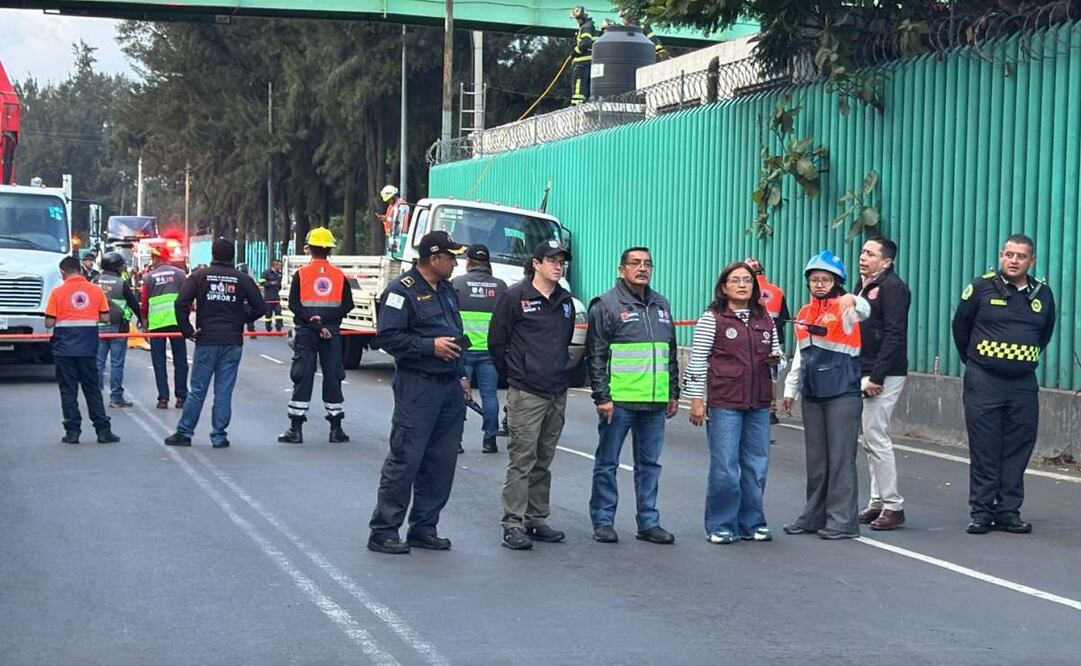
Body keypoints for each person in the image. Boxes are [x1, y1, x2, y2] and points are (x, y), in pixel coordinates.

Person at [367, 231, 470, 555]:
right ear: (434, 258)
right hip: (418, 386)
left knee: (441, 462)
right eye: (451, 257)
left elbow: (455, 334)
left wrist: (461, 375)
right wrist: (430, 347)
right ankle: (384, 530)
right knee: (405, 459)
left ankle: (424, 527)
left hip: (449, 387)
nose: (456, 262)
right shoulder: (401, 291)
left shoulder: (448, 291)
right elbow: (387, 338)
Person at [952, 233, 1055, 535]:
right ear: (1001, 256)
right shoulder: (981, 287)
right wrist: (975, 361)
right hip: (984, 381)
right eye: (1009, 254)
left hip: (1022, 383)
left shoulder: (1042, 294)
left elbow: (1045, 333)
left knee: (1018, 446)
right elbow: (961, 327)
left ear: (1031, 261)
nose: (1014, 260)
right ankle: (981, 512)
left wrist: (1020, 359)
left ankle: (1009, 511)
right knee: (985, 447)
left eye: (1021, 256)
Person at [685, 261, 783, 544]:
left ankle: (753, 522)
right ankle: (721, 524)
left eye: (747, 281)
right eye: (736, 280)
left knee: (756, 466)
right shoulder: (712, 318)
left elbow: (776, 356)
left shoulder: (764, 318)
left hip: (759, 403)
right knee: (725, 467)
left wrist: (777, 361)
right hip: (724, 401)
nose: (742, 285)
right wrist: (696, 400)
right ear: (724, 287)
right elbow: (698, 360)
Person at [586, 247, 679, 545]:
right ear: (621, 268)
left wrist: (673, 391)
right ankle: (603, 520)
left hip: (654, 402)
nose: (642, 268)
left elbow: (671, 353)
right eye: (635, 263)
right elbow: (595, 355)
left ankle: (648, 522)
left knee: (650, 465)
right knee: (607, 462)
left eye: (647, 263)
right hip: (619, 402)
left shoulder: (661, 304)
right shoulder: (607, 305)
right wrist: (602, 396)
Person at [489, 240, 576, 550]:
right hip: (527, 391)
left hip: (556, 389)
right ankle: (512, 522)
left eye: (561, 260)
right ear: (536, 263)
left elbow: (565, 340)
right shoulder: (515, 296)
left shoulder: (565, 301)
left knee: (544, 457)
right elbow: (497, 342)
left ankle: (536, 518)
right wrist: (516, 373)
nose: (558, 265)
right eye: (551, 260)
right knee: (522, 459)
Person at [781, 250, 870, 540]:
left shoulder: (847, 308)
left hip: (842, 392)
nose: (819, 284)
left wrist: (853, 299)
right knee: (817, 459)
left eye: (826, 279)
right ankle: (814, 515)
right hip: (813, 393)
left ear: (837, 281)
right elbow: (800, 356)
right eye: (815, 279)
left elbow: (867, 310)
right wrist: (790, 390)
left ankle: (842, 520)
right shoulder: (805, 313)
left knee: (841, 457)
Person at [164, 239, 265, 448]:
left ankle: (184, 432)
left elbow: (181, 302)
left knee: (198, 389)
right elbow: (260, 306)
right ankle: (219, 435)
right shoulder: (242, 279)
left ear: (212, 254)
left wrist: (187, 330)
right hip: (232, 340)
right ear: (233, 256)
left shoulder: (200, 276)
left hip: (207, 339)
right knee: (224, 391)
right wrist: (241, 318)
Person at [853, 237, 911, 531]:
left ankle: (893, 505)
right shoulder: (863, 286)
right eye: (863, 252)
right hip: (863, 368)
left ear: (886, 261)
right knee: (869, 437)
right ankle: (877, 501)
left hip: (884, 373)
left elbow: (894, 333)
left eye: (871, 254)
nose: (863, 257)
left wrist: (877, 376)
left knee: (877, 436)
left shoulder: (893, 288)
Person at [278, 228, 355, 444]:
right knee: (333, 376)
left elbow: (294, 304)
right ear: (329, 249)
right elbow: (347, 304)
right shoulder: (339, 276)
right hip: (331, 332)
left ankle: (296, 429)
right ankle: (336, 429)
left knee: (302, 376)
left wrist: (313, 322)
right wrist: (327, 322)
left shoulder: (301, 274)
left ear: (309, 249)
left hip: (306, 332)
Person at [45, 255, 119, 444]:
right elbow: (104, 318)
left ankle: (72, 432)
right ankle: (103, 431)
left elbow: (49, 322)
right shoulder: (95, 291)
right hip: (88, 348)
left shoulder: (56, 293)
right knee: (92, 390)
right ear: (80, 269)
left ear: (63, 272)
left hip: (64, 350)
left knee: (68, 391)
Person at [451, 244, 508, 454]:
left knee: (458, 395)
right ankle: (490, 439)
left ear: (469, 262)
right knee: (489, 394)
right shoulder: (501, 287)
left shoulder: (457, 284)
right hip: (490, 352)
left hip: (462, 349)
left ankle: (455, 440)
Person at [140, 246, 189, 409]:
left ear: (156, 259)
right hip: (177, 323)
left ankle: (163, 398)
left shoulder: (149, 278)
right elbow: (187, 298)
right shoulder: (180, 274)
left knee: (159, 362)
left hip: (157, 324)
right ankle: (181, 397)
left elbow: (144, 303)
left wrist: (145, 324)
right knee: (180, 361)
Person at [745, 256, 790, 429]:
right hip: (775, 338)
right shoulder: (777, 291)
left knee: (754, 371)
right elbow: (784, 316)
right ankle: (771, 410)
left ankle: (755, 404)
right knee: (773, 374)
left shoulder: (747, 290)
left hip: (753, 338)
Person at [94, 251, 142, 408]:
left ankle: (95, 397)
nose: (123, 268)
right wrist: (143, 321)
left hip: (97, 328)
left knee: (98, 363)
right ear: (116, 266)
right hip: (119, 329)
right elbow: (134, 305)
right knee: (117, 364)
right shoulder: (121, 283)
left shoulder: (94, 281)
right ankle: (116, 398)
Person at [569, 6, 597, 105]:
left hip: (582, 63)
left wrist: (575, 52)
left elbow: (585, 43)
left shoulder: (586, 27)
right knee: (585, 84)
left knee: (578, 84)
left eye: (578, 18)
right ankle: (583, 101)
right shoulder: (590, 26)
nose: (577, 20)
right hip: (588, 61)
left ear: (583, 17)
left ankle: (576, 104)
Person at [380, 185, 408, 253]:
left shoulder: (402, 205)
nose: (388, 202)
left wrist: (387, 219)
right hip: (391, 236)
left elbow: (401, 222)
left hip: (398, 237)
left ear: (393, 196)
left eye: (389, 199)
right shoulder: (392, 206)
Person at [260, 260, 285, 332]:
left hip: (276, 297)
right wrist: (271, 283)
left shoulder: (279, 274)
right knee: (268, 314)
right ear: (275, 265)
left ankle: (279, 326)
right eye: (279, 265)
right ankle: (268, 327)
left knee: (278, 312)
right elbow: (261, 282)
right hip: (268, 297)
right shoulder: (266, 273)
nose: (280, 267)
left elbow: (280, 283)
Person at [237, 263, 257, 333]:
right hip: (242, 301)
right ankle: (250, 331)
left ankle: (251, 331)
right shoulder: (247, 279)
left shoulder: (248, 279)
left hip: (245, 301)